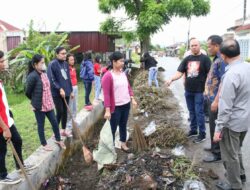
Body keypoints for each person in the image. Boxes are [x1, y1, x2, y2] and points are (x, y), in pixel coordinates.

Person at [214, 39, 250, 190]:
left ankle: (234, 185)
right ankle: (241, 175)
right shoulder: (247, 68)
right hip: (245, 119)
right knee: (236, 150)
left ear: (223, 56)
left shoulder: (231, 75)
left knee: (230, 155)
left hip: (232, 122)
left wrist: (218, 129)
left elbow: (225, 107)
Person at [0, 51, 36, 185]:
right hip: (2, 124)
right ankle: (3, 176)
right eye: (2, 61)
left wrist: (8, 111)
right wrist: (4, 128)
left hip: (7, 119)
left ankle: (19, 165)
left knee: (18, 140)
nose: (4, 63)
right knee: (1, 150)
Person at [165, 38, 211, 143]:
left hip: (200, 91)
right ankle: (193, 130)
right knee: (191, 111)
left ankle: (202, 134)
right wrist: (171, 79)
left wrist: (207, 88)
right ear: (189, 47)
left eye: (196, 45)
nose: (194, 47)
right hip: (188, 90)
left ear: (200, 46)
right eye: (192, 46)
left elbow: (210, 75)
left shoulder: (205, 59)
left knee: (199, 112)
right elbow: (179, 72)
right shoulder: (187, 59)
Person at [26, 54, 66, 151]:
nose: (44, 65)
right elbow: (28, 92)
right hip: (39, 106)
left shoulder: (44, 73)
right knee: (41, 125)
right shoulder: (32, 76)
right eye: (42, 63)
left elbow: (48, 87)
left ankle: (58, 139)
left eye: (44, 62)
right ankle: (44, 144)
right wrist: (34, 103)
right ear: (35, 64)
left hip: (48, 103)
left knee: (55, 122)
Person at [102, 51, 137, 152]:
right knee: (112, 129)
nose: (123, 63)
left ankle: (123, 143)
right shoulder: (108, 76)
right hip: (115, 107)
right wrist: (107, 110)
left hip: (126, 104)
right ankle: (111, 148)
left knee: (123, 125)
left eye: (123, 61)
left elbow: (128, 87)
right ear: (114, 62)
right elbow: (106, 95)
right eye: (121, 61)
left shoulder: (122, 73)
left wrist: (132, 99)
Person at [203, 35, 225, 163]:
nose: (208, 48)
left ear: (216, 45)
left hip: (216, 100)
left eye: (209, 46)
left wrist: (216, 101)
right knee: (212, 124)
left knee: (215, 125)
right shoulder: (217, 58)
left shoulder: (222, 60)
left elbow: (223, 82)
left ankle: (217, 154)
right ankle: (213, 147)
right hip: (211, 98)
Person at [47, 47, 73, 137]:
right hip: (57, 93)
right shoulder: (52, 64)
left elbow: (68, 78)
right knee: (60, 111)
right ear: (57, 54)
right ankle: (55, 131)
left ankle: (63, 130)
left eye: (65, 53)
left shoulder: (65, 64)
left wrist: (71, 90)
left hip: (66, 92)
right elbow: (52, 79)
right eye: (62, 53)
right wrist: (59, 88)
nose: (64, 55)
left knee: (65, 111)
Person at [66, 54, 78, 134]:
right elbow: (67, 81)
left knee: (75, 106)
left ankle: (73, 122)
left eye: (73, 59)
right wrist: (70, 91)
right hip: (70, 89)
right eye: (71, 60)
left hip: (75, 87)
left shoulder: (73, 68)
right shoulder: (67, 69)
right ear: (67, 61)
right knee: (70, 107)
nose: (72, 61)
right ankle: (69, 125)